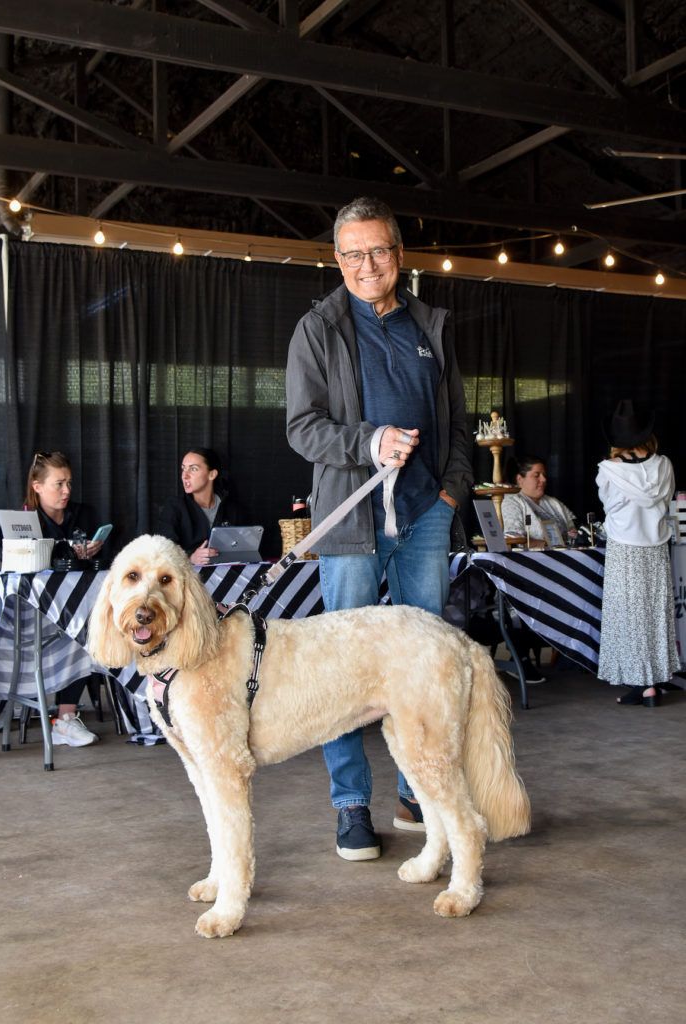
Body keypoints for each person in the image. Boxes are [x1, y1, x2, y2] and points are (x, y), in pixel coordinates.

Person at [286, 196, 473, 861]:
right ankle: (349, 807)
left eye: (379, 251)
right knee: (342, 673)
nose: (368, 265)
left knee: (419, 668)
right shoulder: (318, 329)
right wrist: (369, 442)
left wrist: (450, 494)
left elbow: (456, 420)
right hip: (352, 522)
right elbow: (301, 427)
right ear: (337, 260)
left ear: (399, 255)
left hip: (425, 514)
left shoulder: (431, 325)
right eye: (353, 254)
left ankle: (416, 794)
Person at [596, 399, 679, 707]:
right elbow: (666, 499)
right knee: (655, 613)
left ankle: (641, 684)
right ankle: (655, 679)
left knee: (628, 615)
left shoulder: (608, 471)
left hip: (625, 548)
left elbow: (609, 506)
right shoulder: (665, 465)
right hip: (655, 547)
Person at [25, 450, 105, 746]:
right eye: (59, 484)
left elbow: (102, 568)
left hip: (80, 609)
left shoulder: (84, 514)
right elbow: (21, 570)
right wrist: (67, 553)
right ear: (37, 486)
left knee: (94, 625)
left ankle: (142, 711)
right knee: (80, 631)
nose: (66, 491)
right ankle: (65, 720)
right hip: (37, 613)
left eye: (69, 483)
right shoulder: (25, 521)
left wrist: (94, 552)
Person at [157, 447, 243, 566]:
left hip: (225, 577)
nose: (184, 476)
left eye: (193, 469)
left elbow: (242, 549)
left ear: (212, 474)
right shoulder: (174, 507)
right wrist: (190, 558)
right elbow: (163, 551)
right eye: (183, 468)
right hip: (189, 579)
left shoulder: (232, 509)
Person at [501, 456, 578, 546]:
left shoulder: (554, 502)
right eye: (536, 475)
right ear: (520, 479)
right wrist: (547, 544)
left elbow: (574, 529)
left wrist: (574, 534)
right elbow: (514, 539)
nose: (544, 479)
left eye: (544, 475)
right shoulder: (511, 501)